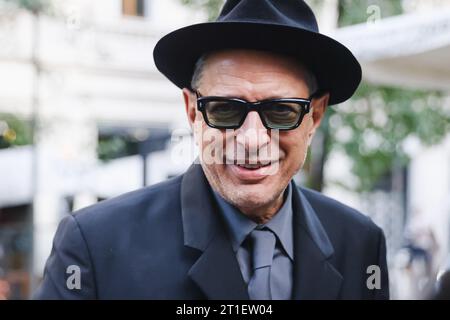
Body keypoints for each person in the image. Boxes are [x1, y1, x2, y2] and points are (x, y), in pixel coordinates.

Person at [34, 0, 389, 300]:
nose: (252, 138)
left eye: (281, 111)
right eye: (225, 109)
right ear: (192, 111)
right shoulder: (95, 244)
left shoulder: (359, 243)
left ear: (315, 116)